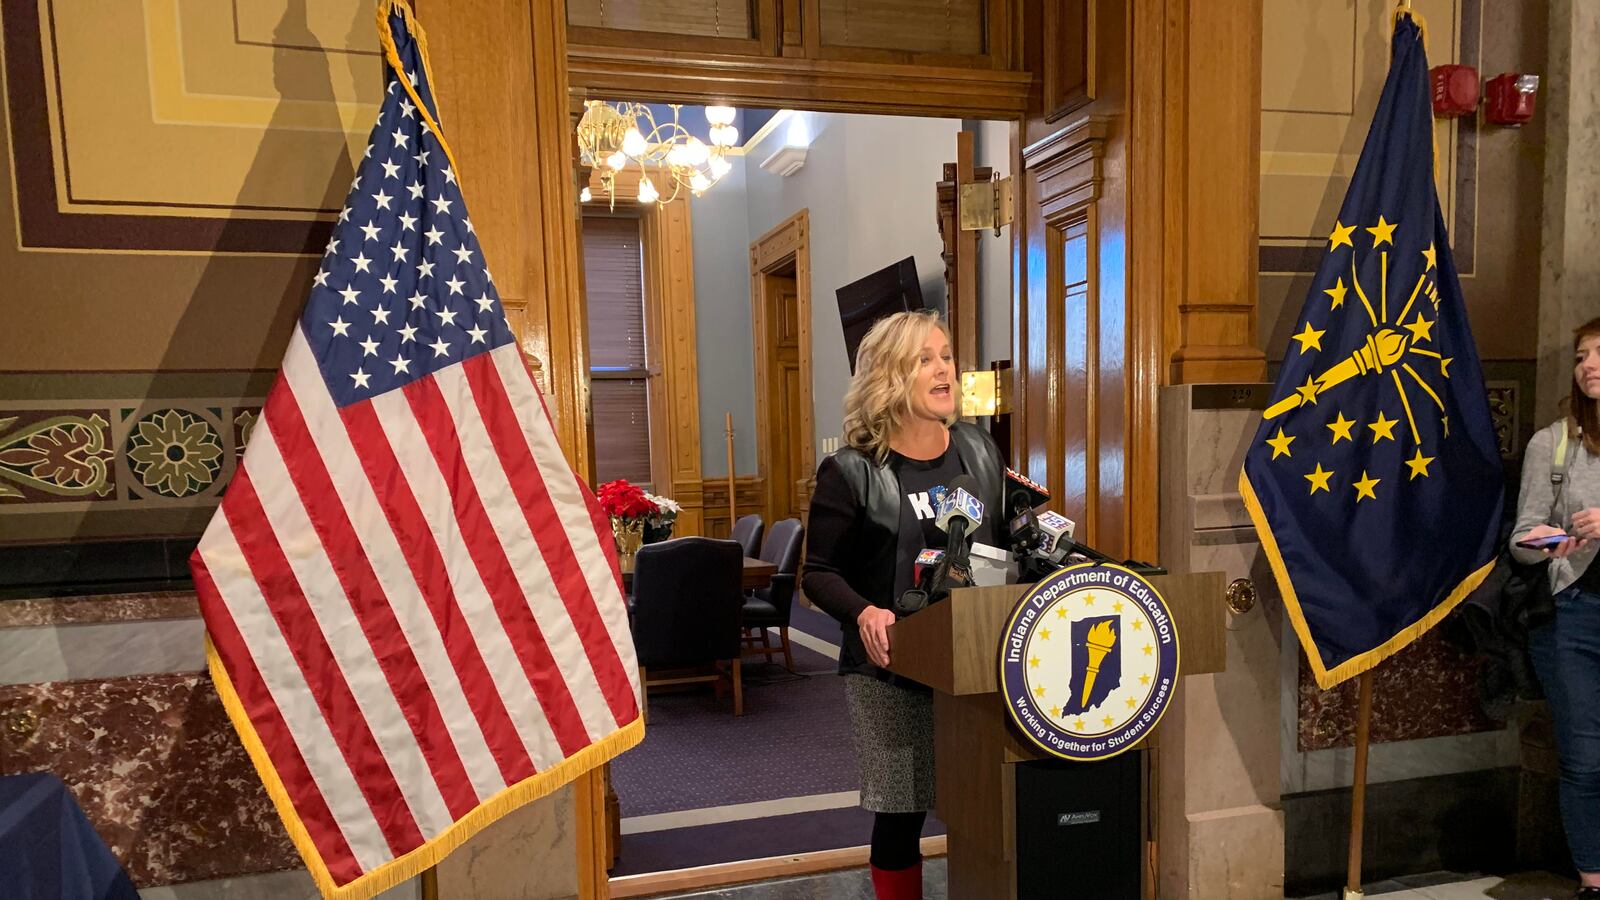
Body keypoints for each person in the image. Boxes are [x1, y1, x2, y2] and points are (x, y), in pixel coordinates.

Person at [801, 310, 1005, 900]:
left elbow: (1014, 533)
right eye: (925, 359)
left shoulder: (980, 449)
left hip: (979, 661)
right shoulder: (851, 472)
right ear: (890, 376)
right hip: (891, 670)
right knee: (902, 811)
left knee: (984, 800)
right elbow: (818, 574)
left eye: (946, 355)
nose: (945, 369)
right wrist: (864, 611)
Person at [1512, 316, 1600, 898]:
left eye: (1599, 354)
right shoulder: (1555, 440)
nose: (1588, 365)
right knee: (1586, 760)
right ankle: (1594, 882)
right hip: (1573, 615)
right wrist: (1550, 542)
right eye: (1580, 356)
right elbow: (1521, 538)